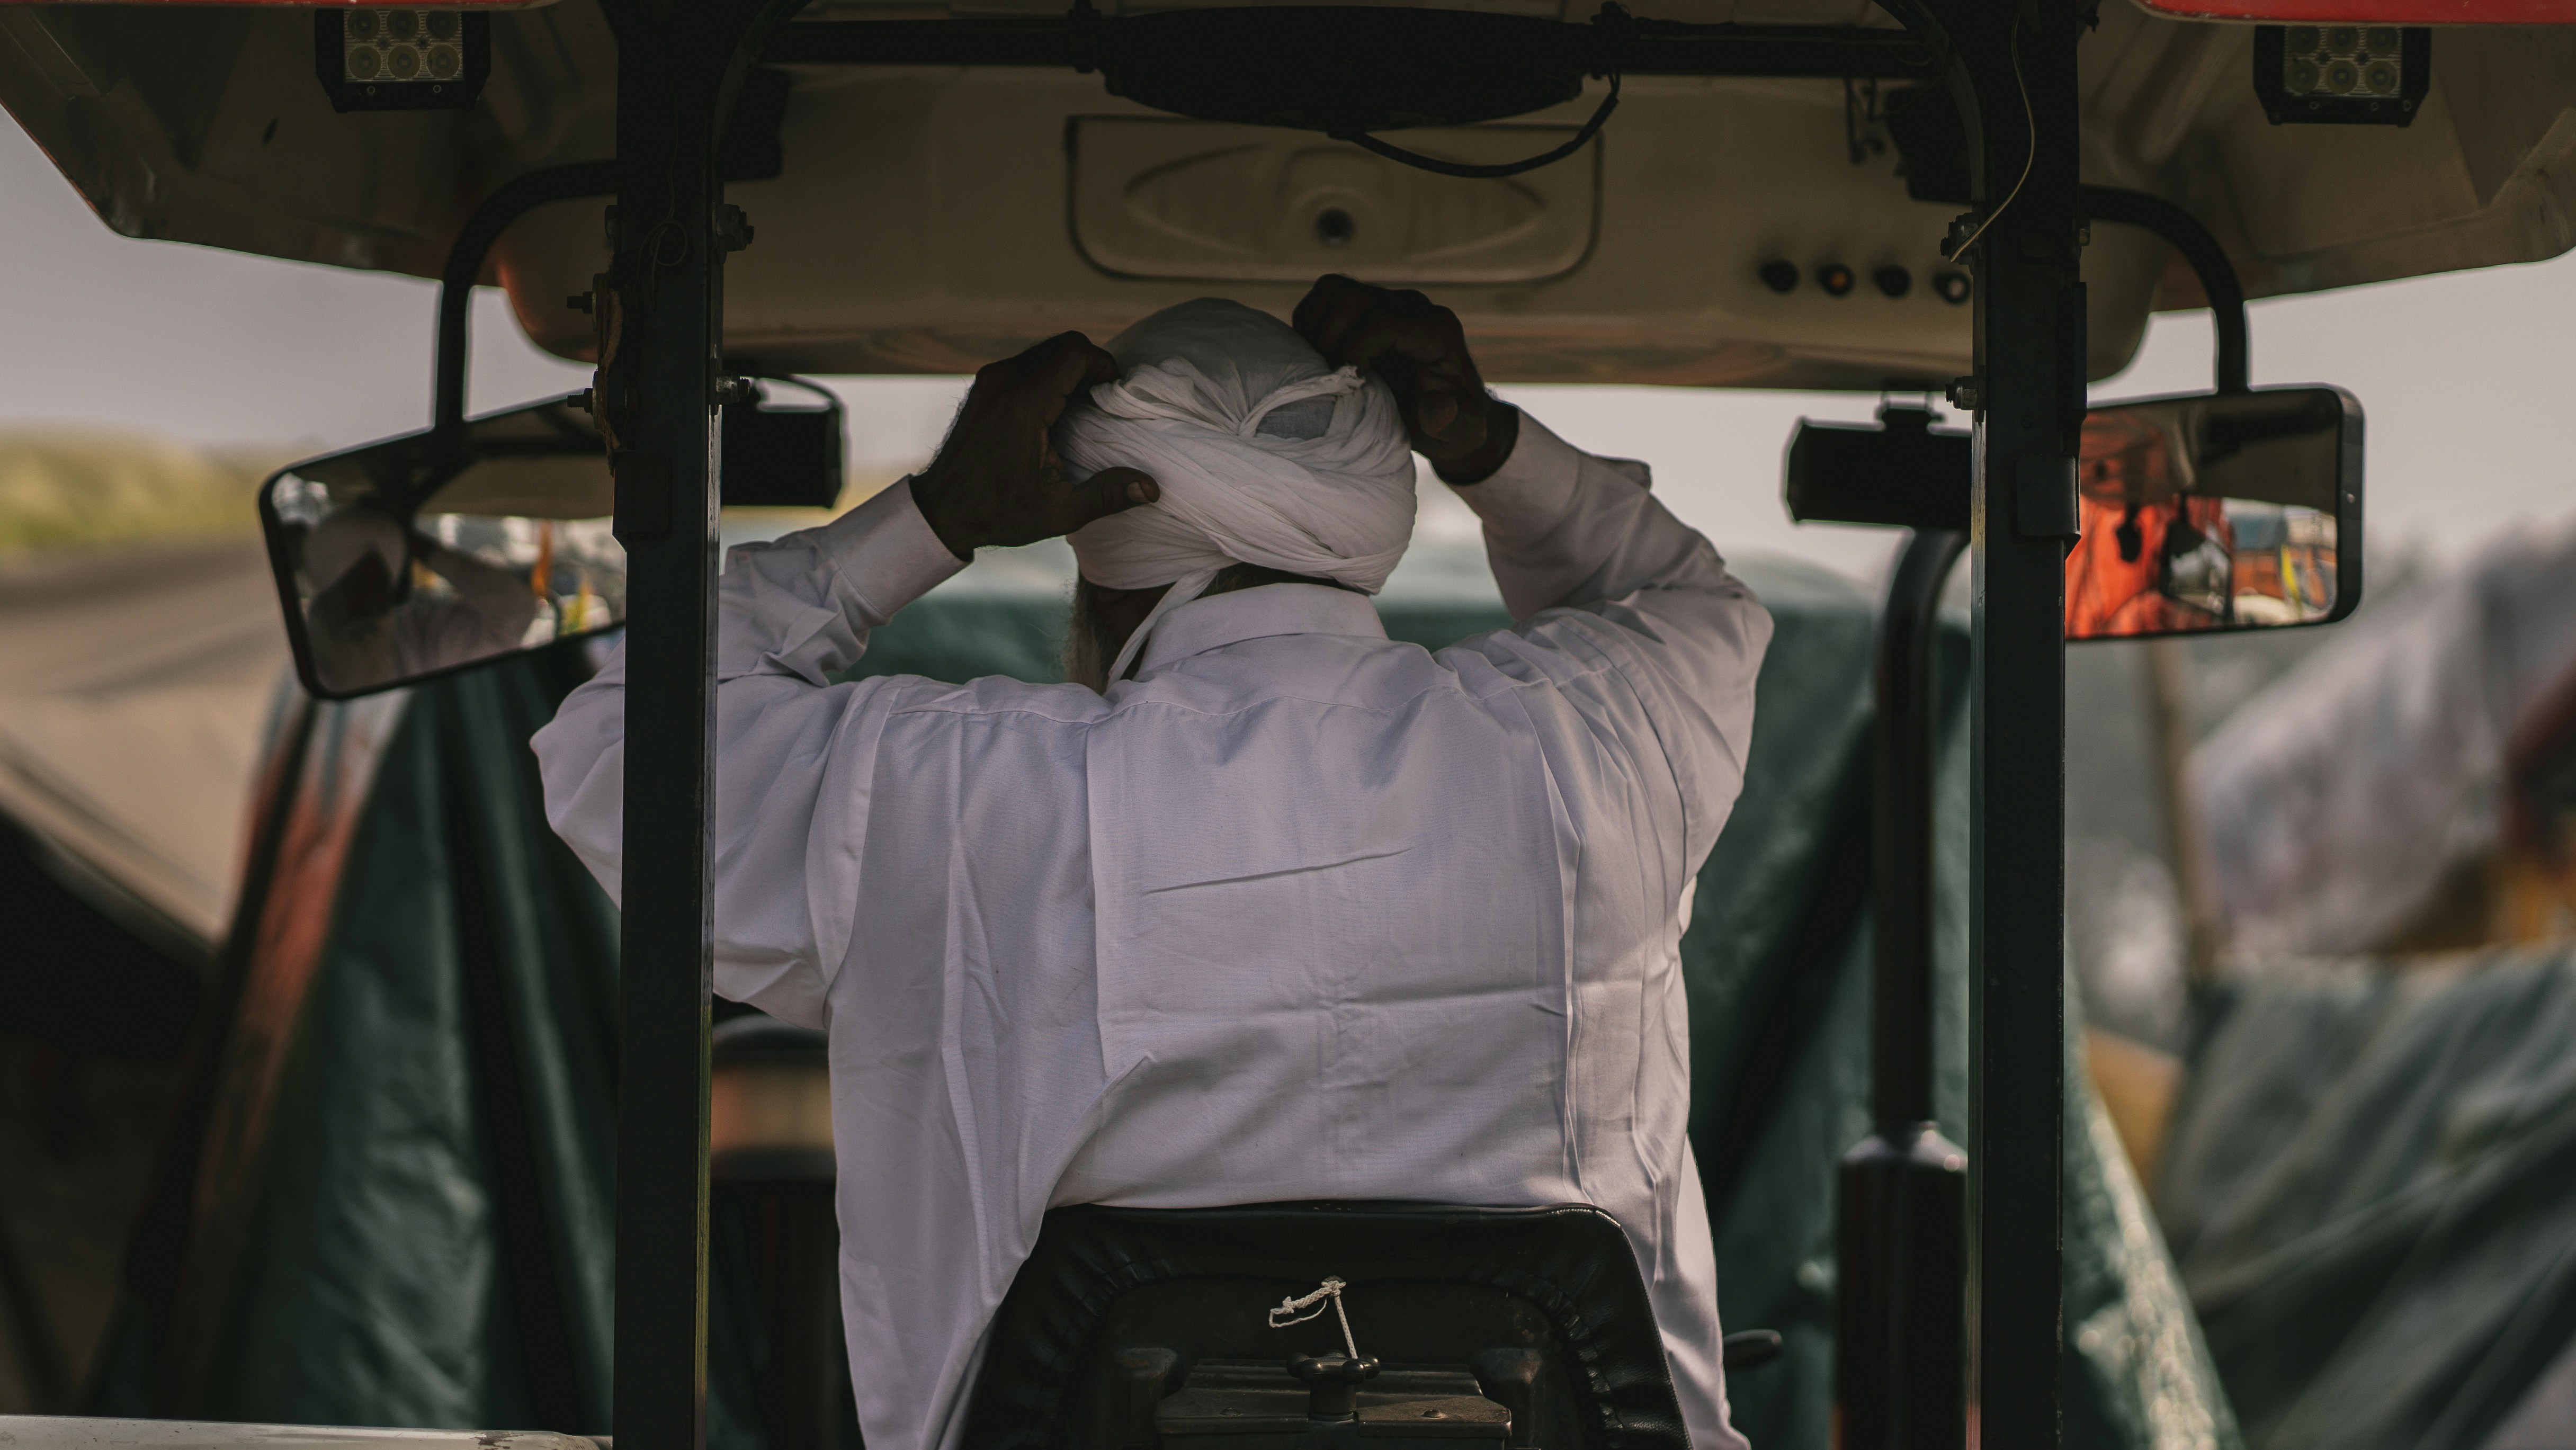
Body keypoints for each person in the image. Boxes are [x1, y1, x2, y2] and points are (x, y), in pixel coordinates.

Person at [532, 278, 1773, 1450]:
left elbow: (620, 746)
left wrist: (937, 515)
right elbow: (1686, 601)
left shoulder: (958, 796)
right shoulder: (1591, 743)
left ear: (1101, 565)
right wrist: (1488, 441)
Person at [300, 503, 539, 693]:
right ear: (331, 586)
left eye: (381, 583)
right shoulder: (303, 655)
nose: (374, 598)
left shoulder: (418, 634)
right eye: (358, 584)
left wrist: (422, 549)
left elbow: (516, 610)